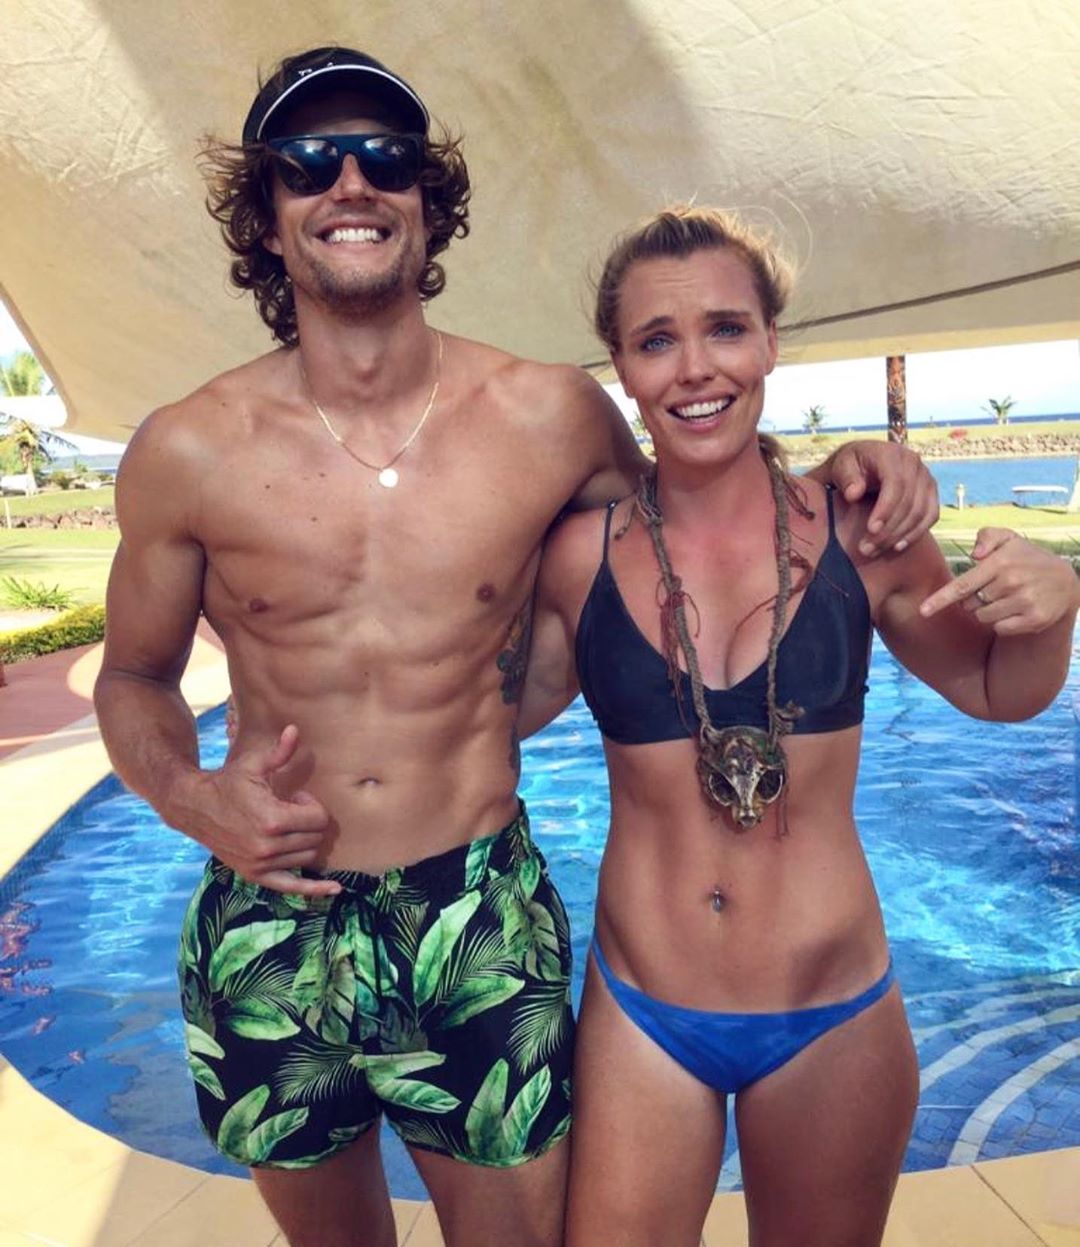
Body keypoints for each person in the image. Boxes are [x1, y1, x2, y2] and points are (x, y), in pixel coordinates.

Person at [93, 46, 939, 1247]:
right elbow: (133, 676)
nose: (351, 182)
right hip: (269, 913)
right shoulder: (187, 449)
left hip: (476, 905)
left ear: (427, 198)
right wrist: (189, 796)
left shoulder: (550, 416)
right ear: (267, 213)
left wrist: (855, 470)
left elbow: (695, 511)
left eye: (386, 157)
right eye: (309, 162)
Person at [520, 205, 1080, 1247]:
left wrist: (1054, 607)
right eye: (657, 340)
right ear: (622, 367)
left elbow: (996, 689)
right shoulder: (577, 557)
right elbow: (470, 720)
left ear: (771, 342)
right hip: (645, 1008)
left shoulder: (861, 532)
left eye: (726, 328)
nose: (696, 368)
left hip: (834, 1012)